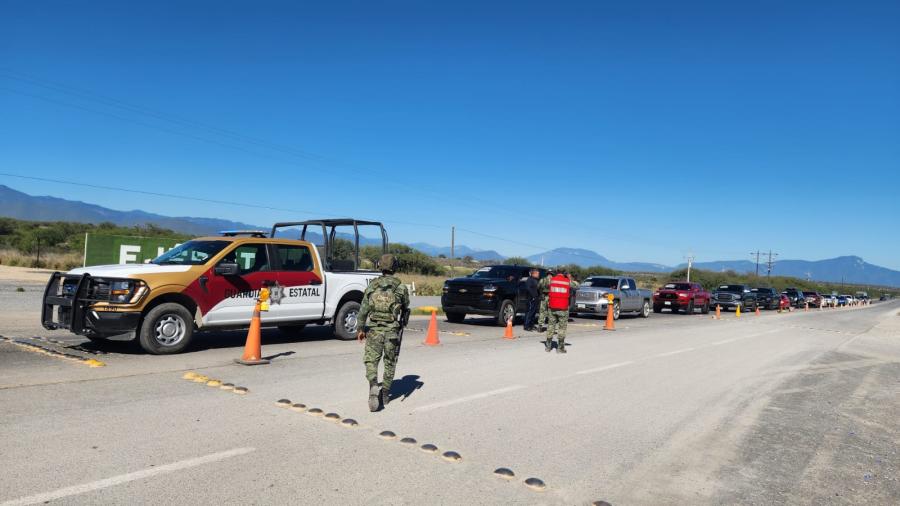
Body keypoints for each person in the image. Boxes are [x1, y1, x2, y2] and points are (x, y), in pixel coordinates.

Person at [357, 254, 410, 412]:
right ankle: (385, 394)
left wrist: (360, 328)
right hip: (392, 332)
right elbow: (406, 306)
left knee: (371, 361)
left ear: (380, 266)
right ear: (394, 267)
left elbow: (363, 310)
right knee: (390, 362)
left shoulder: (372, 286)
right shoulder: (400, 287)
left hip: (374, 331)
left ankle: (373, 385)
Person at [545, 271, 576, 353]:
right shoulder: (567, 281)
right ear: (564, 274)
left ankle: (548, 347)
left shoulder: (551, 280)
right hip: (563, 308)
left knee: (551, 326)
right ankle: (560, 348)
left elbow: (541, 285)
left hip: (552, 307)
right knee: (562, 328)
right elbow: (577, 285)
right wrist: (569, 278)